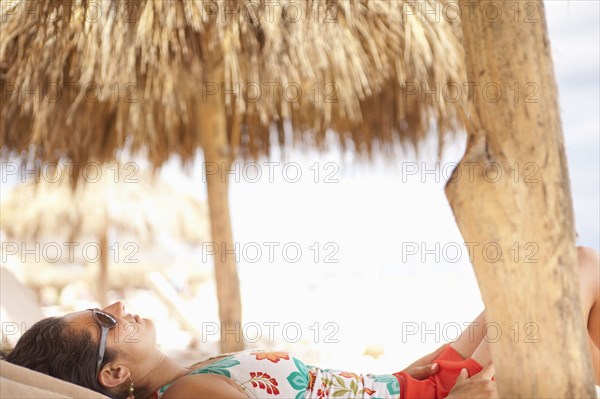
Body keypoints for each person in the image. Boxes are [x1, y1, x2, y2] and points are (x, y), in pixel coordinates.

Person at [3, 246, 599, 399]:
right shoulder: (189, 394)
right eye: (107, 318)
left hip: (414, 381)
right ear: (112, 374)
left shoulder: (195, 374)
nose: (122, 304)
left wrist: (407, 371)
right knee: (574, 270)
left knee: (580, 302)